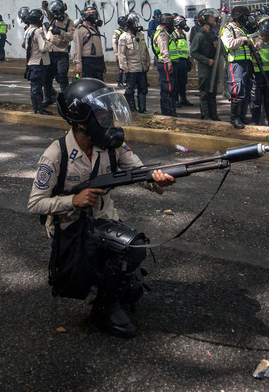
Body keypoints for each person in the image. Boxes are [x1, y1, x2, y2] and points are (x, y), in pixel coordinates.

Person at [27, 78, 175, 338]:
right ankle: (103, 309)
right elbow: (35, 203)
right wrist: (73, 200)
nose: (108, 118)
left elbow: (141, 173)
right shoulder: (56, 154)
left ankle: (105, 280)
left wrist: (159, 179)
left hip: (104, 221)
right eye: (102, 113)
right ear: (81, 120)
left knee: (133, 290)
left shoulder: (110, 145)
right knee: (131, 247)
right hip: (71, 229)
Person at [220, 6, 256, 129]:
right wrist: (243, 40)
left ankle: (242, 116)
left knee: (246, 90)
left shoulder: (243, 29)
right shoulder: (228, 29)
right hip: (236, 64)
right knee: (237, 90)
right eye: (245, 17)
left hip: (246, 63)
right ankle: (234, 118)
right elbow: (229, 44)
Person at [189, 8, 221, 121]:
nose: (214, 18)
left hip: (213, 68)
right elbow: (193, 52)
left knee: (212, 92)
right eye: (211, 17)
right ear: (206, 19)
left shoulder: (212, 34)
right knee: (205, 93)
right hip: (205, 68)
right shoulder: (200, 35)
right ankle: (206, 115)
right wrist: (207, 60)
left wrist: (218, 47)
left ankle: (214, 114)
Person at [41, 0, 75, 105]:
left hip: (61, 52)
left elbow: (70, 37)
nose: (56, 14)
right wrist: (45, 7)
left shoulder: (69, 22)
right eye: (54, 12)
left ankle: (66, 100)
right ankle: (48, 98)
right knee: (47, 77)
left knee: (62, 77)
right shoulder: (53, 20)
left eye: (57, 12)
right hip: (50, 52)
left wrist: (60, 32)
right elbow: (47, 13)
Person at [116, 12, 150, 114]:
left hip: (142, 67)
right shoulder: (124, 37)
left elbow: (145, 50)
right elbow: (121, 54)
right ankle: (132, 109)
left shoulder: (141, 35)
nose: (136, 24)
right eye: (134, 22)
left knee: (143, 89)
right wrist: (124, 69)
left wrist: (147, 63)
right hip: (131, 68)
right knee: (130, 90)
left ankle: (142, 109)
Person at [23, 7, 54, 115]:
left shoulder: (27, 30)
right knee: (37, 87)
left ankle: (36, 107)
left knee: (34, 87)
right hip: (39, 62)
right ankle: (39, 109)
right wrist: (50, 42)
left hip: (31, 62)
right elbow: (43, 47)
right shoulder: (38, 32)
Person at [249, 16, 269, 126]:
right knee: (256, 99)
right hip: (256, 73)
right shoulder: (252, 39)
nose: (267, 37)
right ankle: (255, 121)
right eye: (265, 35)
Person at [151, 13, 177, 116]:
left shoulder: (164, 32)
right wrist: (169, 63)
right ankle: (168, 112)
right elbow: (164, 50)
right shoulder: (162, 34)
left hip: (166, 63)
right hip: (165, 63)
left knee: (169, 87)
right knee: (168, 88)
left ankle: (170, 110)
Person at [71, 1, 105, 81]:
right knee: (88, 84)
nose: (96, 18)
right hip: (87, 63)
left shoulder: (95, 29)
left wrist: (103, 64)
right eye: (95, 16)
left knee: (99, 85)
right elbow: (77, 49)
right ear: (90, 17)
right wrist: (78, 65)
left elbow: (99, 47)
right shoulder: (80, 30)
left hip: (98, 62)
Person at [170, 14, 193, 107]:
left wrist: (188, 57)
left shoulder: (183, 34)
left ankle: (183, 99)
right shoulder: (173, 34)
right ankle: (175, 100)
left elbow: (184, 47)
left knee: (183, 81)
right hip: (177, 61)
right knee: (176, 81)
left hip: (184, 60)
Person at [112, 16, 128, 87]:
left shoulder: (125, 31)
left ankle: (126, 81)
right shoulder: (117, 32)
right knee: (121, 68)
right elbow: (114, 43)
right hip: (120, 52)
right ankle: (119, 81)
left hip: (125, 52)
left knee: (126, 67)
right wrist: (116, 53)